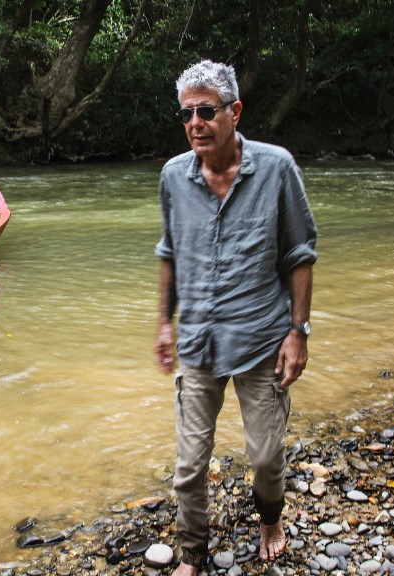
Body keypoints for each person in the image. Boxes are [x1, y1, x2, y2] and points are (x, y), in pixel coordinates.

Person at [153, 60, 318, 574]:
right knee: (188, 466)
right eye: (187, 114)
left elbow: (300, 253)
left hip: (262, 339)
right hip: (199, 341)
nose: (195, 123)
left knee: (266, 458)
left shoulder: (276, 168)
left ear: (235, 111)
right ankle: (193, 553)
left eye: (206, 111)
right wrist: (164, 323)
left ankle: (270, 517)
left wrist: (299, 331)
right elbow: (170, 253)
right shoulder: (173, 178)